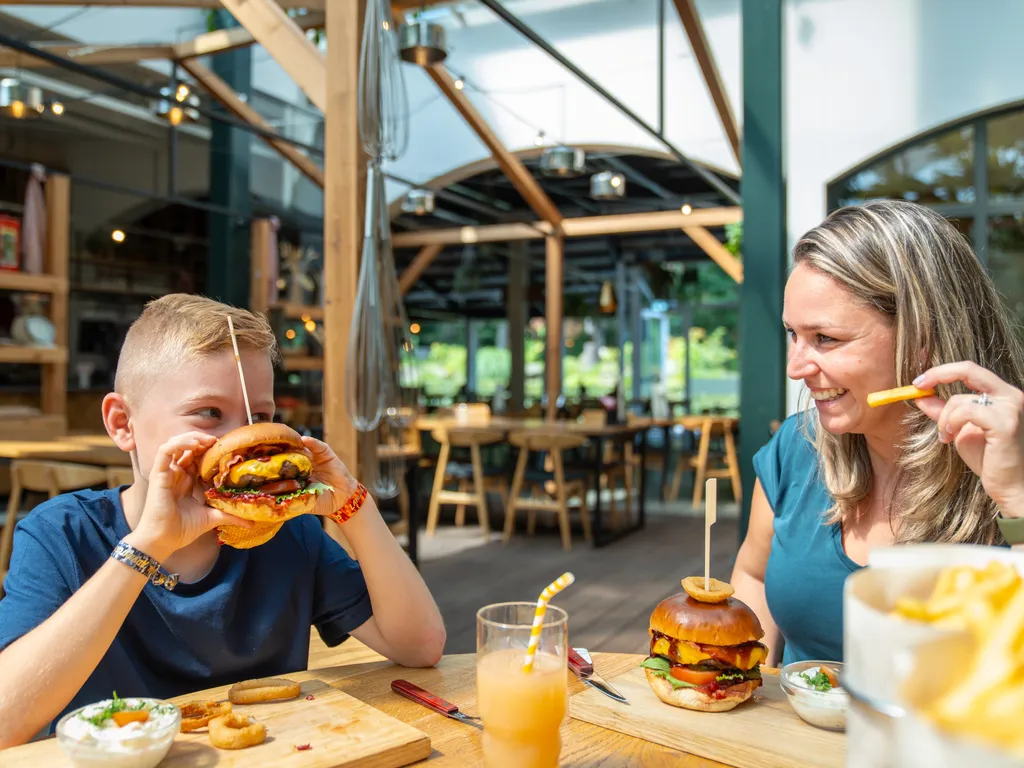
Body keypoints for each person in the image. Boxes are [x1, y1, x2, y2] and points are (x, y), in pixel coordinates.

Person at [0, 295, 446, 747]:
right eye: (209, 413)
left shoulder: (289, 535)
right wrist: (149, 545)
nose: (241, 440)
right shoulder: (62, 534)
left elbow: (420, 646)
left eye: (262, 417)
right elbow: (4, 722)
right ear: (123, 424)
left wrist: (353, 504)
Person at [730, 200, 1024, 667]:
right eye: (793, 334)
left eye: (825, 338)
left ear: (920, 335)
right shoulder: (796, 447)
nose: (795, 368)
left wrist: (1015, 498)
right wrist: (734, 680)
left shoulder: (1011, 460)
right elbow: (755, 574)